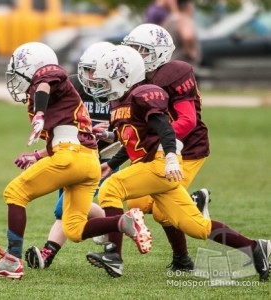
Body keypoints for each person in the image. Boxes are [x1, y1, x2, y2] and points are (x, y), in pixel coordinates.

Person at [81, 44, 271, 282]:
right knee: (196, 227)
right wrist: (111, 156)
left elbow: (165, 130)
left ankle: (113, 255)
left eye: (106, 78)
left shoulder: (143, 94)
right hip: (149, 166)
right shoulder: (119, 101)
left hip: (159, 164)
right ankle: (256, 247)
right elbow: (132, 138)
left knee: (111, 188)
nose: (99, 84)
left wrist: (171, 157)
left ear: (123, 76)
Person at [0, 41, 153, 280]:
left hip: (70, 157)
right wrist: (37, 155)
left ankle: (12, 260)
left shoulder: (53, 75)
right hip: (88, 161)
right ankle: (123, 222)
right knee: (74, 228)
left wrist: (39, 112)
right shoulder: (62, 97)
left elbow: (45, 83)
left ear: (33, 66)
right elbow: (68, 135)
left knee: (15, 193)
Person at [86, 23, 211, 277]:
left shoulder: (175, 72)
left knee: (163, 212)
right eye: (132, 48)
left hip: (187, 149)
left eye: (141, 50)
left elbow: (187, 121)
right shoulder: (139, 80)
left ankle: (182, 255)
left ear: (160, 52)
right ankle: (184, 242)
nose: (135, 55)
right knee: (137, 202)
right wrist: (114, 151)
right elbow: (136, 131)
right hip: (158, 150)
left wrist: (162, 146)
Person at [23, 41, 120, 269]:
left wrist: (109, 132)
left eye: (99, 71)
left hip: (105, 156)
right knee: (68, 208)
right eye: (89, 70)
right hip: (72, 152)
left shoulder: (121, 92)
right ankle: (110, 223)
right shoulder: (72, 86)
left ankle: (48, 253)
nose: (94, 76)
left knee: (63, 208)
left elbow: (130, 129)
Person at [162, 0, 201, 68]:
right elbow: (188, 36)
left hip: (170, 61)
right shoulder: (184, 19)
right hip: (183, 64)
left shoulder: (170, 19)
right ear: (188, 7)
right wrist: (191, 52)